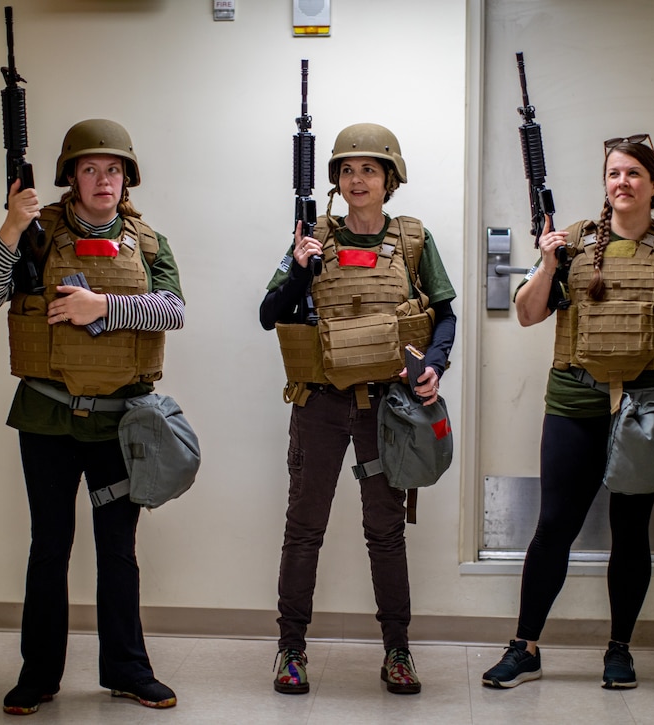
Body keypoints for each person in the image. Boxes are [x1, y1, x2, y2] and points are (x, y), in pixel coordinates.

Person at [482, 136, 654, 691]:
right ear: (605, 183)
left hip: (648, 409)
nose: (623, 182)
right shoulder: (574, 247)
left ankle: (619, 649)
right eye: (614, 172)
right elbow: (526, 315)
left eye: (635, 173)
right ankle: (526, 646)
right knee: (553, 528)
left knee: (631, 531)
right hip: (575, 402)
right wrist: (545, 263)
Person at [0, 119, 185, 715]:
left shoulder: (148, 242)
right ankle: (38, 675)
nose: (103, 180)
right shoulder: (37, 235)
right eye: (90, 169)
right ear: (70, 176)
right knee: (50, 546)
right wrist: (11, 227)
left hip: (119, 422)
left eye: (113, 169)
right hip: (47, 419)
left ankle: (126, 669)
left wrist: (102, 305)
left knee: (118, 548)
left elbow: (173, 310)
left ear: (127, 177)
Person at [259, 122, 457, 696]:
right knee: (304, 530)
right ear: (335, 182)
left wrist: (435, 365)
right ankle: (290, 651)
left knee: (386, 531)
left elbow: (444, 313)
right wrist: (300, 267)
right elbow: (270, 313)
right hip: (321, 404)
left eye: (369, 168)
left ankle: (398, 651)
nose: (357, 178)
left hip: (385, 410)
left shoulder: (414, 240)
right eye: (347, 169)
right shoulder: (312, 237)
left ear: (389, 179)